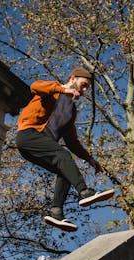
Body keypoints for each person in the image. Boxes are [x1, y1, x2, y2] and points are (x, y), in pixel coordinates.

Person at [16, 66, 115, 232]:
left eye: (86, 88)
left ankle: (56, 212)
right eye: (83, 85)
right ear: (73, 78)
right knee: (63, 155)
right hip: (29, 135)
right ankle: (84, 192)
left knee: (65, 170)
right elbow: (35, 86)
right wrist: (63, 90)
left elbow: (71, 141)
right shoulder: (53, 90)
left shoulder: (71, 111)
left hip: (39, 147)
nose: (83, 91)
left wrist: (90, 159)